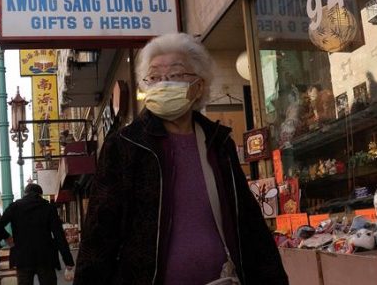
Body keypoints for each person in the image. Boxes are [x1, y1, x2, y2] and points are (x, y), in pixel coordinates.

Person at [74, 33, 288, 285]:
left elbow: (249, 224)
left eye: (175, 75)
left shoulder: (218, 143)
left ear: (198, 86)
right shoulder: (125, 145)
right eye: (154, 77)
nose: (163, 84)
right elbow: (99, 236)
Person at [0, 183, 74, 285]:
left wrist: (7, 237)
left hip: (23, 258)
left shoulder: (15, 207)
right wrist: (68, 261)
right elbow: (59, 236)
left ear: (25, 194)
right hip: (46, 259)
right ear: (40, 195)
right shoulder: (48, 208)